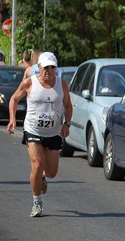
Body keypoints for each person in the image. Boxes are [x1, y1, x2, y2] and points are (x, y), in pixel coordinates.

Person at [6, 51, 73, 218]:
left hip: (53, 132)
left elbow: (68, 106)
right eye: (46, 67)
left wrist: (67, 123)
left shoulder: (62, 85)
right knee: (37, 163)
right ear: (39, 67)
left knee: (51, 172)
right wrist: (13, 119)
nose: (49, 71)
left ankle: (43, 176)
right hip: (33, 130)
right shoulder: (29, 83)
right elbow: (14, 99)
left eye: (53, 67)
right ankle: (37, 202)